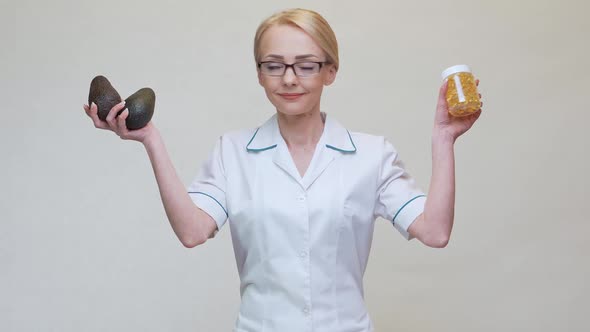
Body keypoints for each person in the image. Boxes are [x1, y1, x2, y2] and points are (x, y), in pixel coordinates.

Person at [83, 8, 481, 332]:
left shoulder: (371, 156)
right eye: (274, 66)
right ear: (259, 73)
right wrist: (151, 139)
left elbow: (434, 231)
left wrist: (443, 139)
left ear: (331, 71)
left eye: (306, 65)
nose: (289, 78)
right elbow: (192, 231)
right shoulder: (232, 152)